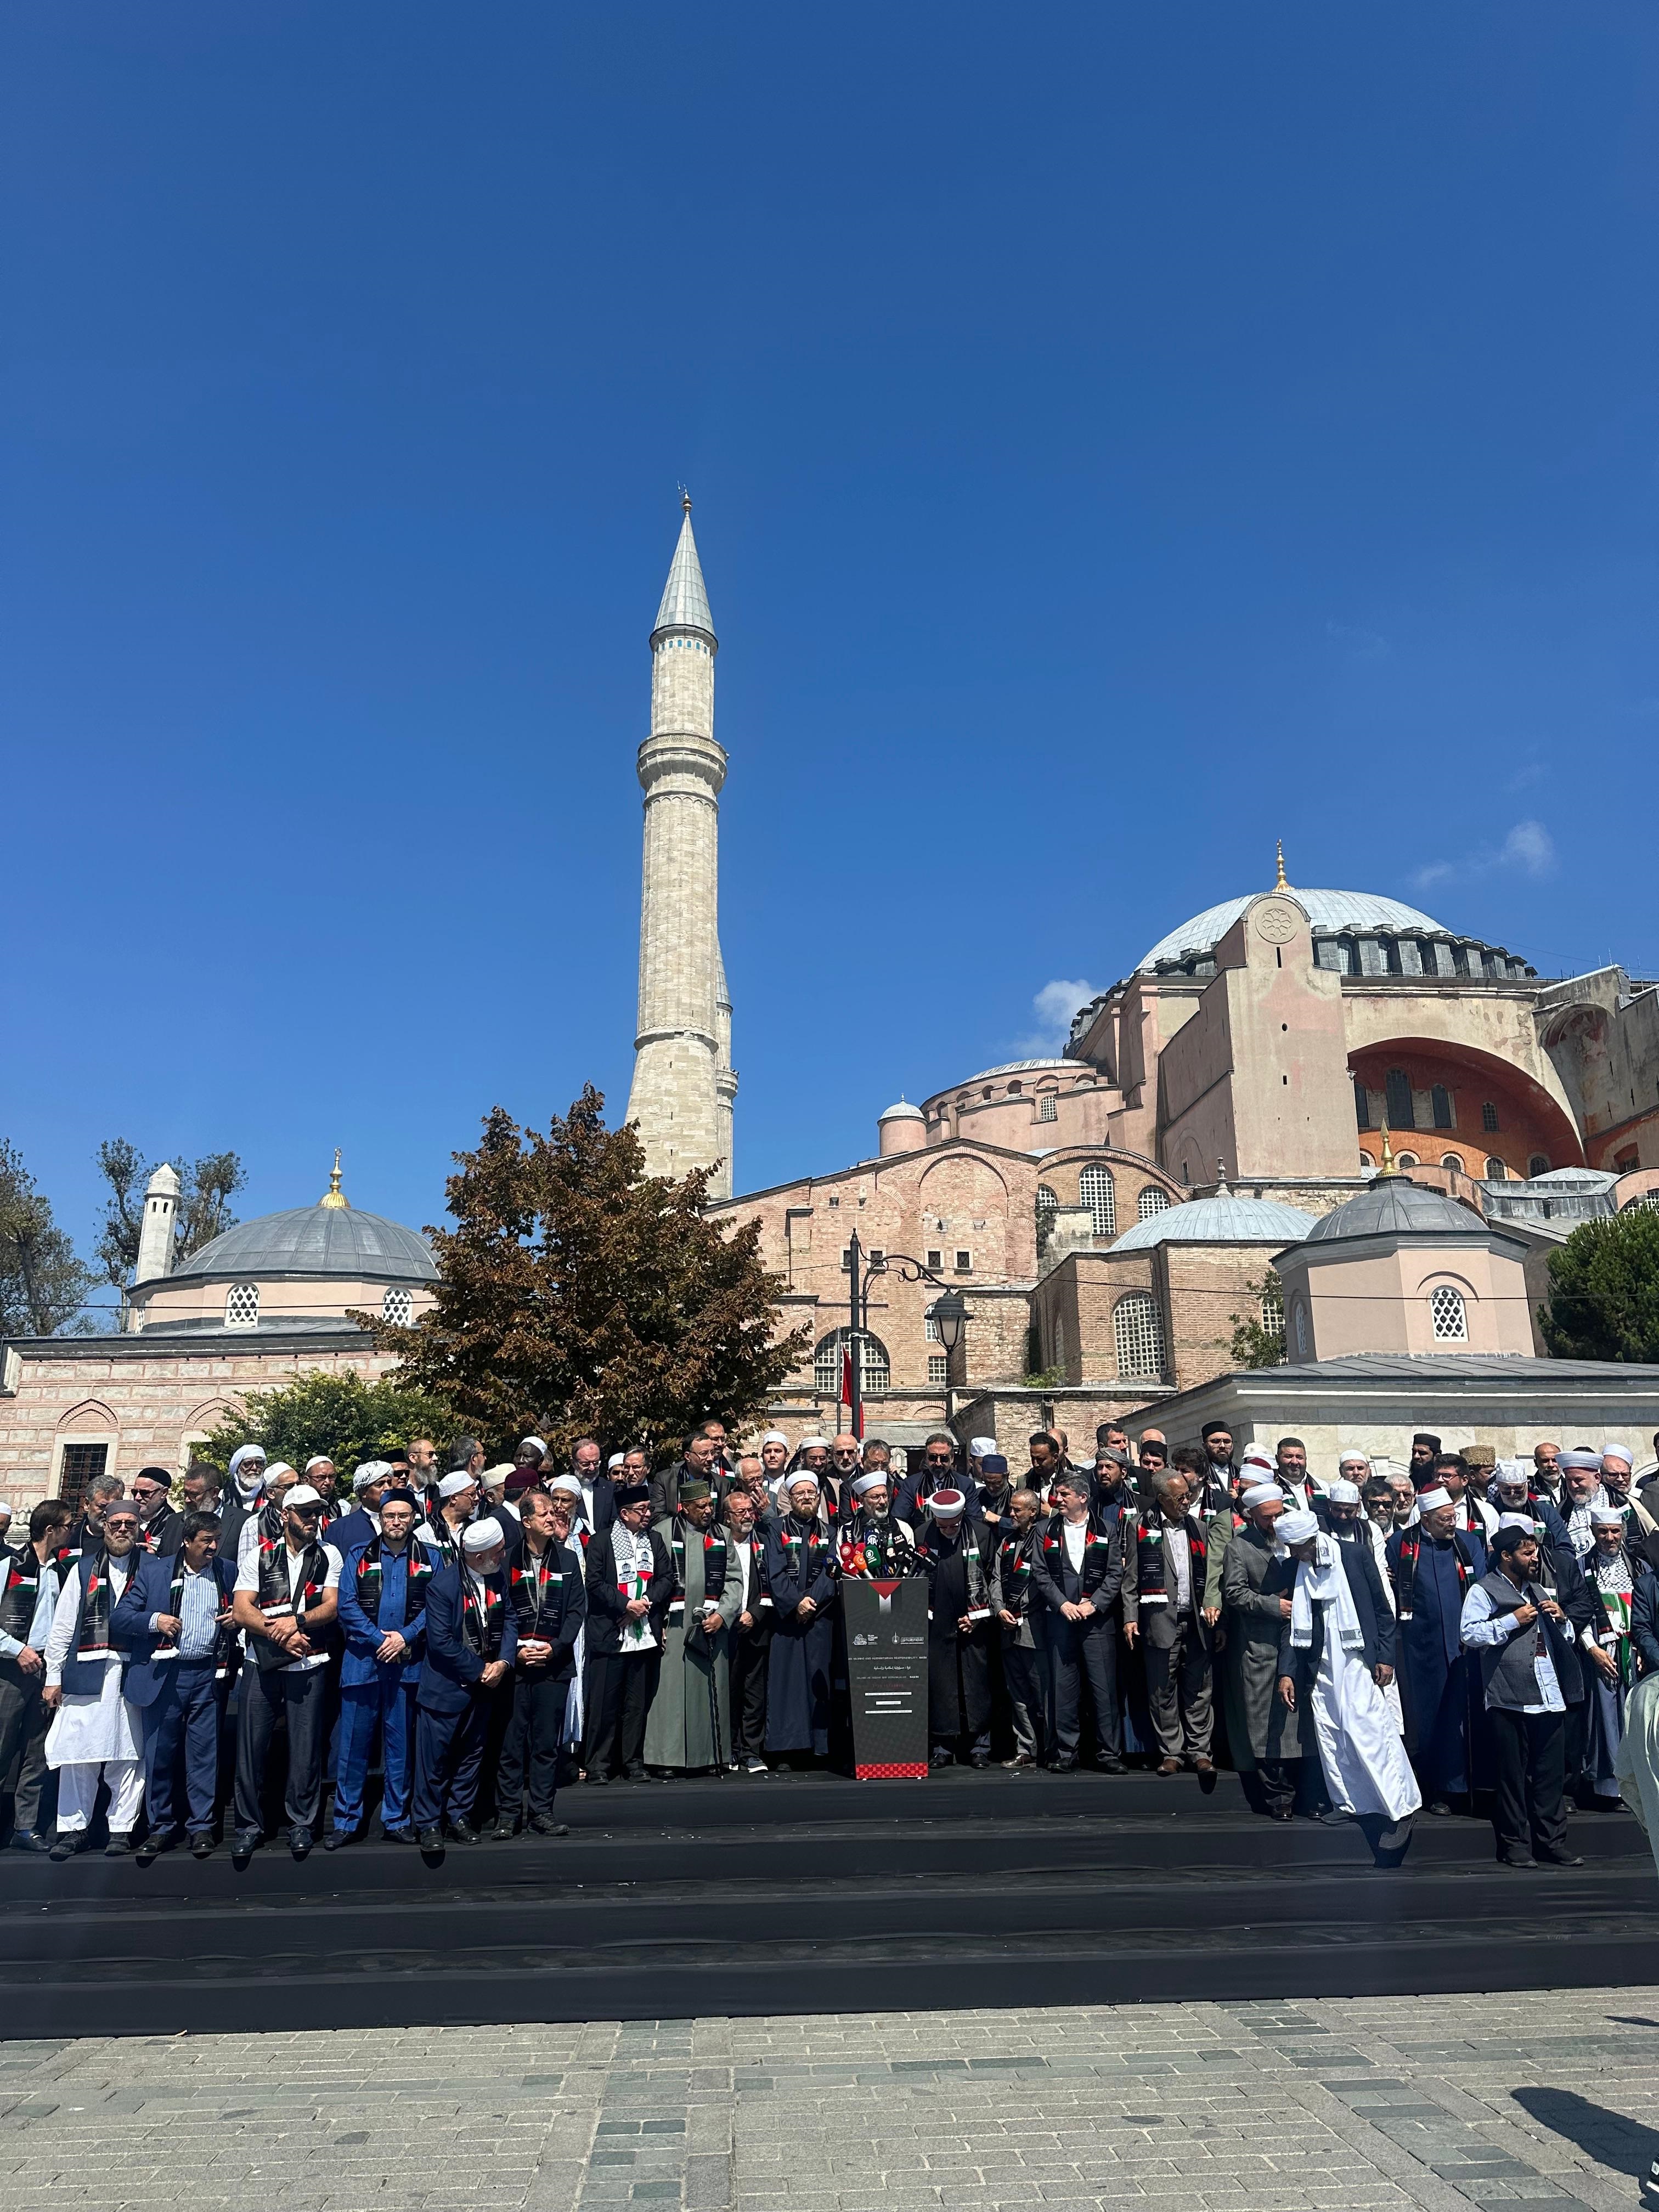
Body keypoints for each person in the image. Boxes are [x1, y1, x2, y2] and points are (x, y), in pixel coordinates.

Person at [1275, 1508, 1417, 1849]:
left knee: (1369, 1730)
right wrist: (1287, 1672)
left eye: (1297, 1546)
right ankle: (1350, 1803)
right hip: (1320, 1666)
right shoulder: (1296, 1567)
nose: (1293, 1553)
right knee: (1331, 1733)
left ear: (1312, 1539)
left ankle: (1400, 1807)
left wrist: (1385, 1658)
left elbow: (1383, 1609)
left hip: (1357, 1660)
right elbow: (1292, 1626)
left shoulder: (1354, 1555)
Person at [112, 1509, 237, 1861]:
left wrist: (236, 1618)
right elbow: (120, 1617)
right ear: (186, 1541)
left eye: (216, 1540)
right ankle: (161, 1828)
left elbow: (243, 1610)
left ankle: (202, 1827)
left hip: (209, 1674)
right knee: (160, 1755)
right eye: (206, 1541)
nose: (213, 1547)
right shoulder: (155, 1572)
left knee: (205, 1755)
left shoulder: (227, 1571)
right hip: (166, 1676)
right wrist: (155, 1621)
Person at [1460, 1520, 1583, 1868]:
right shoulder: (1483, 1590)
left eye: (1536, 1552)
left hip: (1548, 1693)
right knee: (1512, 1776)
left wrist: (1563, 1620)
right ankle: (1514, 1845)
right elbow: (1469, 1634)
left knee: (1550, 1776)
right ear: (1506, 1556)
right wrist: (1511, 1620)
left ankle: (1551, 1843)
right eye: (1527, 1553)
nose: (1535, 1558)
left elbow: (1564, 1639)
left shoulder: (1539, 1590)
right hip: (1509, 1696)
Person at [230, 1482, 341, 1859]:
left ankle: (301, 1823)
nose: (313, 1519)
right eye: (305, 1512)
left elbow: (331, 1606)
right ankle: (248, 1826)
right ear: (285, 1515)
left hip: (310, 1662)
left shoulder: (329, 1554)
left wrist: (296, 1622)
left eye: (317, 1512)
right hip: (261, 1663)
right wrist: (280, 1636)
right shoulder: (259, 1555)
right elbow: (242, 1610)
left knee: (306, 1749)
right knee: (251, 1749)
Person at [42, 1497, 147, 1860]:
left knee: (129, 1754)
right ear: (105, 1527)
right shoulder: (83, 1568)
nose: (122, 1530)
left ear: (138, 1529)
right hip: (86, 1670)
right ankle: (74, 1829)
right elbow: (63, 1625)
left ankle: (121, 1828)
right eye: (116, 1524)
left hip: (132, 1672)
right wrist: (53, 1675)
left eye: (129, 1524)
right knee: (78, 1754)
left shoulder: (152, 1567)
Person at [332, 1487, 435, 1847]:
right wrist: (381, 1640)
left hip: (407, 1667)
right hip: (363, 1664)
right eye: (390, 1516)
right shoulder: (358, 1555)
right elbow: (346, 1605)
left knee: (400, 1748)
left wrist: (405, 1637)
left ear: (413, 1519)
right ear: (380, 1518)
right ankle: (346, 1821)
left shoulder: (431, 1558)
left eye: (403, 1516)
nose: (396, 1522)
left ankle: (396, 1818)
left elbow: (436, 1606)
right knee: (352, 1748)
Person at [411, 1522, 520, 1847]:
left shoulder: (497, 1576)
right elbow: (441, 1642)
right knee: (434, 1762)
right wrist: (480, 1669)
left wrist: (504, 1662)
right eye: (498, 1552)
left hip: (484, 1685)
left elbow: (510, 1619)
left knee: (472, 1757)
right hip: (447, 1689)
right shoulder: (443, 1586)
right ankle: (429, 1824)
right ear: (479, 1556)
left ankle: (459, 1816)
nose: (504, 1556)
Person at [1387, 1487, 1486, 1816]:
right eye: (1444, 1519)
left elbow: (1481, 1587)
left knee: (1465, 1718)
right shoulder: (1402, 1544)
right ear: (1426, 1519)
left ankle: (1468, 1785)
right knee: (1430, 1718)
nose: (1452, 1523)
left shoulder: (1468, 1544)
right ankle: (1437, 1787)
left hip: (1465, 1646)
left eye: (1454, 1517)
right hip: (1422, 1650)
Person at [495, 1488, 584, 1835]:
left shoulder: (568, 1560)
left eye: (553, 1512)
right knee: (512, 1744)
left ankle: (542, 1811)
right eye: (544, 1513)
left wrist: (556, 1648)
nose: (552, 1517)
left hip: (553, 1665)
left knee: (546, 1744)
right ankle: (508, 1814)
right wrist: (514, 1651)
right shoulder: (507, 1560)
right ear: (526, 1521)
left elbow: (576, 1611)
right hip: (517, 1666)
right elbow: (499, 1611)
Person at [1031, 1470, 1125, 1774]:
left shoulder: (1107, 1529)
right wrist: (1063, 1604)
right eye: (1057, 1494)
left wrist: (1093, 1604)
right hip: (1061, 1620)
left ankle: (1109, 1753)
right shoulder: (1045, 1529)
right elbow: (1040, 1573)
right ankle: (1065, 1752)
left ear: (1083, 1498)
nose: (1057, 1499)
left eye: (1065, 1495)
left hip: (1097, 1623)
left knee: (1104, 1689)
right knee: (1063, 1688)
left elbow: (1115, 1574)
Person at [1121, 1470, 1215, 1776]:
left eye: (1188, 1496)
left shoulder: (1199, 1527)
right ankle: (1172, 1752)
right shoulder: (1140, 1527)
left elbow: (1212, 1577)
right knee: (1162, 1691)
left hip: (1196, 1621)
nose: (1186, 1502)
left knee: (1199, 1690)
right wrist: (1130, 1618)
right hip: (1160, 1621)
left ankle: (1200, 1751)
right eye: (1179, 1498)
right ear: (1162, 1499)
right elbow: (1131, 1578)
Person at [1220, 1485, 1303, 1819]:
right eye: (1268, 1518)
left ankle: (1308, 1793)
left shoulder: (1298, 1538)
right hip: (1260, 1646)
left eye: (1279, 1514)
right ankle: (1279, 1798)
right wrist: (1273, 1606)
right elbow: (1234, 1593)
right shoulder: (1239, 1547)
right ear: (1251, 1515)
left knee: (1302, 1722)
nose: (1275, 1523)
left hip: (1300, 1643)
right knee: (1265, 1723)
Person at [644, 1479, 737, 1776]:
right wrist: (656, 1624)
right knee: (669, 1695)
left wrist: (723, 1614)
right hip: (673, 1626)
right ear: (684, 1507)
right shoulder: (663, 1532)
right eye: (701, 1507)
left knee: (708, 1693)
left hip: (710, 1627)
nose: (708, 1511)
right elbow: (652, 1579)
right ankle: (666, 1758)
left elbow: (734, 1580)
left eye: (710, 1505)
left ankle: (710, 1756)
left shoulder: (722, 1535)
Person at [583, 1482, 673, 1784]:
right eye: (642, 1510)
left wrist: (644, 1603)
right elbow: (595, 1583)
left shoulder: (655, 1540)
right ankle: (599, 1764)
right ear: (624, 1513)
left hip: (643, 1633)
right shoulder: (601, 1541)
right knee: (605, 1704)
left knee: (636, 1704)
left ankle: (633, 1761)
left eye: (649, 1508)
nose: (648, 1514)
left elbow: (666, 1579)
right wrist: (625, 1605)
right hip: (611, 1631)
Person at [0, 1500, 71, 1852]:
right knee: (1, 1747)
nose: (71, 1531)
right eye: (67, 1525)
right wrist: (17, 1650)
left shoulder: (62, 1572)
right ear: (51, 1530)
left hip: (44, 1669)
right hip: (9, 1669)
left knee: (37, 1751)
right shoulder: (8, 1566)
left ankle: (25, 1827)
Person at [915, 1488, 994, 1768]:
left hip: (975, 1620)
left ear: (962, 1516)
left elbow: (992, 1578)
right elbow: (917, 1576)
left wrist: (978, 1616)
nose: (948, 1531)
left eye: (954, 1526)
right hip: (937, 1619)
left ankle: (979, 1747)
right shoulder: (923, 1534)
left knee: (977, 1683)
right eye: (943, 1527)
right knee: (941, 1683)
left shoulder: (981, 1534)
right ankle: (942, 1747)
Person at [761, 1472, 836, 1763]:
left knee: (819, 1684)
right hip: (787, 1620)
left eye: (811, 1494)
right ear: (790, 1499)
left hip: (818, 1618)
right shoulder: (775, 1529)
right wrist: (795, 1603)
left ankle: (818, 1749)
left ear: (818, 1498)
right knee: (786, 1685)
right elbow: (774, 1571)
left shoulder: (830, 1532)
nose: (806, 1498)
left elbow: (832, 1571)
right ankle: (786, 1749)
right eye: (800, 1494)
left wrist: (811, 1603)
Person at [1577, 1505, 1649, 1810]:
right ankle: (1610, 1788)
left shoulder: (1638, 1566)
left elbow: (1646, 1610)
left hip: (1634, 1651)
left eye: (1615, 1531)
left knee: (1636, 1717)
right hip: (1601, 1651)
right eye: (1603, 1532)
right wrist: (1591, 1648)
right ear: (1594, 1532)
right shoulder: (1582, 1566)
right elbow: (1578, 1611)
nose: (1610, 1538)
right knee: (1606, 1718)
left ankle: (1639, 1783)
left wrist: (1643, 1648)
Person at [991, 1485, 1048, 1768]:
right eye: (1011, 1509)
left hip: (1035, 1630)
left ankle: (1051, 1747)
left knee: (1043, 1692)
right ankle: (1026, 1748)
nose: (1011, 1514)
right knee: (1019, 1695)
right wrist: (999, 1608)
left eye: (1017, 1510)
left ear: (1033, 1512)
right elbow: (995, 1579)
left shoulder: (1045, 1539)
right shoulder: (1007, 1542)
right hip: (1009, 1629)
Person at [722, 1488, 771, 1774]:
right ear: (728, 1517)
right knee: (729, 1691)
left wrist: (755, 1613)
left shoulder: (762, 1542)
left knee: (754, 1695)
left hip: (756, 1627)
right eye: (740, 1512)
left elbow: (771, 1583)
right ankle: (729, 1749)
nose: (747, 1516)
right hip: (725, 1630)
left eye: (750, 1511)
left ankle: (751, 1752)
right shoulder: (717, 1544)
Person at [650, 1431, 726, 1525]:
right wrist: (689, 1529)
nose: (710, 1458)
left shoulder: (722, 1484)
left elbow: (725, 1520)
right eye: (704, 1454)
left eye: (712, 1452)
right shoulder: (665, 1480)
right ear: (688, 1456)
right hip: (675, 1532)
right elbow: (657, 1517)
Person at [329, 1461, 394, 1560]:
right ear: (363, 1492)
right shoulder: (340, 1528)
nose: (388, 1488)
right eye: (380, 1484)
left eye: (389, 1483)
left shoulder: (404, 1521)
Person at [897, 1434, 966, 1527]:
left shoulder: (965, 1485)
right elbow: (899, 1519)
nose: (938, 1463)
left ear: (952, 1458)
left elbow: (974, 1520)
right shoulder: (911, 1484)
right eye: (933, 1458)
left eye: (944, 1458)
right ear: (926, 1458)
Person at [216, 1444, 267, 1562]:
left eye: (259, 1463)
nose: (254, 1468)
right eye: (248, 1464)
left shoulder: (270, 1497)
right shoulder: (222, 1497)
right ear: (238, 1468)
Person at [417, 1469, 478, 1565]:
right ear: (453, 1499)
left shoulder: (478, 1528)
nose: (477, 1498)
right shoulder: (424, 1534)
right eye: (472, 1494)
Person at [130, 1467, 182, 1558]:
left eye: (145, 1493)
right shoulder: (126, 1517)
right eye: (135, 1492)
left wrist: (155, 1557)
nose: (137, 1498)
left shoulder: (174, 1526)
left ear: (164, 1493)